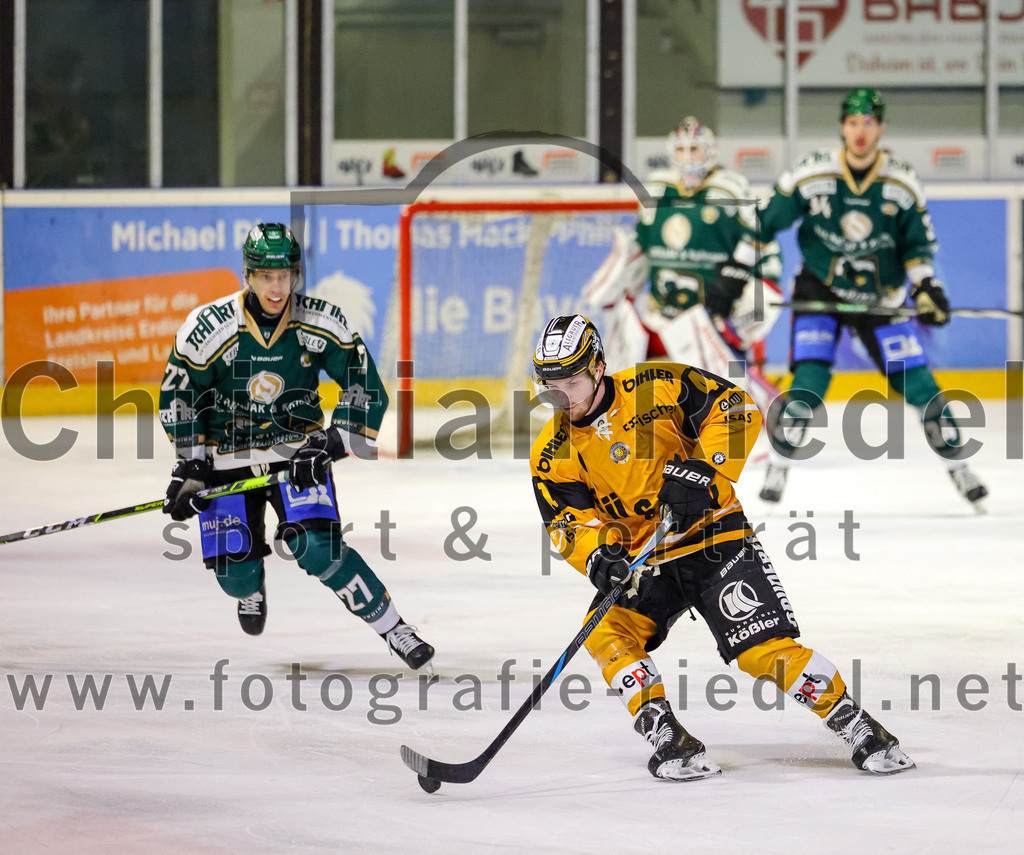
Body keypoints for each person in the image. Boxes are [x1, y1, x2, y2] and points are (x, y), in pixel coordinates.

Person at [529, 314, 914, 780]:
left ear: (596, 367)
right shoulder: (551, 452)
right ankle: (668, 735)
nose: (562, 396)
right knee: (606, 632)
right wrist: (600, 555)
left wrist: (707, 471)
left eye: (571, 380)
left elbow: (735, 405)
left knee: (762, 651)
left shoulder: (658, 383)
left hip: (714, 537)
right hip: (646, 560)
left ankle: (858, 726)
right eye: (551, 384)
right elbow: (568, 523)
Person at [158, 222, 434, 670]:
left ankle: (395, 628)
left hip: (296, 456)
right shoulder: (207, 328)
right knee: (236, 577)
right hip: (227, 460)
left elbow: (364, 385)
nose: (277, 286)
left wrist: (331, 442)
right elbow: (180, 395)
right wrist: (191, 465)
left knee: (320, 549)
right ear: (247, 275)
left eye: (285, 275)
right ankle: (251, 588)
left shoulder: (320, 320)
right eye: (266, 276)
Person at [751, 88, 988, 508]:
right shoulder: (812, 172)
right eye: (853, 122)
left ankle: (959, 466)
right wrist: (740, 266)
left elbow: (917, 246)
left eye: (870, 122)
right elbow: (765, 223)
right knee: (809, 381)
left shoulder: (901, 182)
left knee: (918, 383)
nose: (861, 131)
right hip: (820, 291)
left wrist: (927, 287)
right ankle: (780, 465)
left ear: (881, 127)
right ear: (843, 126)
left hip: (882, 298)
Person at [582, 116, 782, 417]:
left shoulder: (730, 190)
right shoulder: (657, 190)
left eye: (695, 149)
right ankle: (604, 411)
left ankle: (759, 399)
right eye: (681, 150)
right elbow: (642, 246)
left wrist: (741, 298)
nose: (688, 158)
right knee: (625, 333)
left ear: (711, 151)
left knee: (722, 394)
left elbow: (761, 245)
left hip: (712, 317)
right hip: (663, 314)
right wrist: (618, 278)